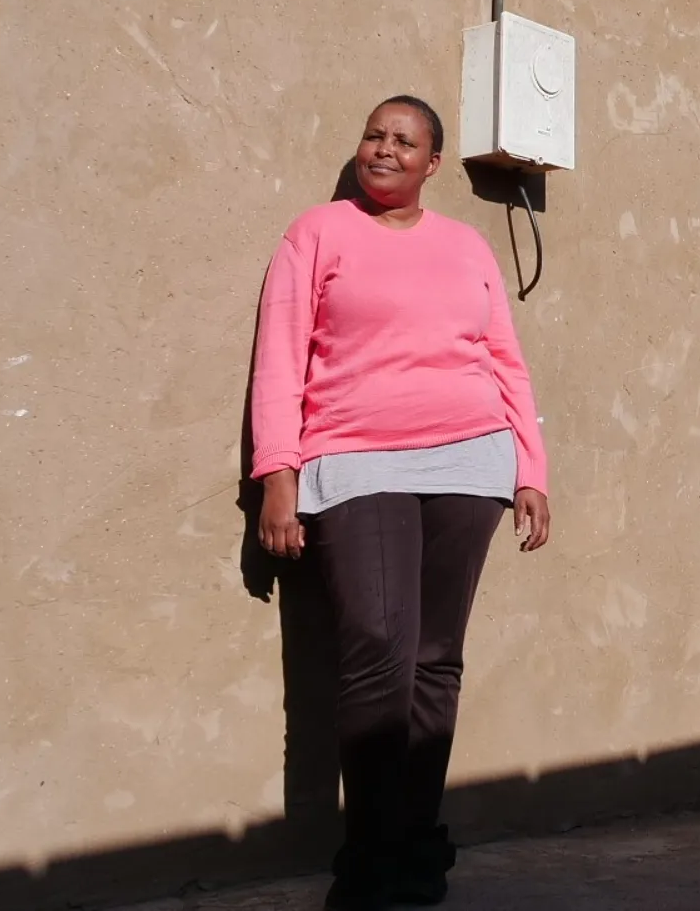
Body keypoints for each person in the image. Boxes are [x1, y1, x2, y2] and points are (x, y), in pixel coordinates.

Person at [250, 94, 553, 909]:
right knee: (377, 651)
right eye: (374, 136)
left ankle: (417, 850)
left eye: (404, 141)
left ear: (432, 164)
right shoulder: (315, 233)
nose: (384, 150)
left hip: (470, 460)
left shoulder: (467, 246)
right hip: (353, 460)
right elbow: (279, 358)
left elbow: (505, 359)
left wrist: (530, 467)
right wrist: (278, 474)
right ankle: (372, 859)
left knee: (434, 661)